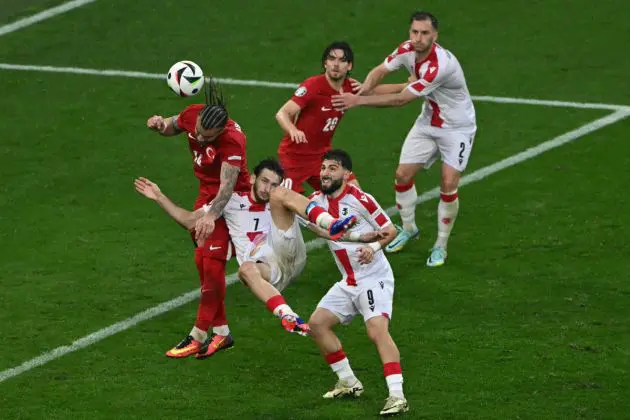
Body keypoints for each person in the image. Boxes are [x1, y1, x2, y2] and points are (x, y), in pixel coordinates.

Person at [134, 159, 366, 346]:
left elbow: (317, 230)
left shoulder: (275, 200)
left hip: (289, 252)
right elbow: (188, 220)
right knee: (245, 269)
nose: (267, 188)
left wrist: (358, 238)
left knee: (283, 196)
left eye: (273, 183)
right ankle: (287, 315)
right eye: (264, 181)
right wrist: (159, 197)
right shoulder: (231, 200)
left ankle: (332, 220)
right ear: (253, 178)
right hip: (268, 271)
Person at [332, 11, 477, 267]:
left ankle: (440, 244)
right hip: (428, 122)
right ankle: (409, 228)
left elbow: (401, 99)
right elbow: (380, 71)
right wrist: (365, 87)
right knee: (402, 175)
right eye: (414, 32)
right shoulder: (407, 49)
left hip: (457, 129)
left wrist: (358, 100)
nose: (418, 38)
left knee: (448, 182)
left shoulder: (439, 66)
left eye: (424, 33)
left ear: (435, 35)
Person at [146, 80, 250, 358]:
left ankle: (198, 334)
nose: (200, 139)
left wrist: (210, 216)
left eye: (207, 137)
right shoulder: (194, 114)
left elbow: (227, 188)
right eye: (199, 134)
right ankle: (223, 332)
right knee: (201, 259)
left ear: (221, 130)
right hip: (205, 193)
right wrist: (160, 125)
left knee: (212, 261)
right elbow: (172, 126)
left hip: (234, 201)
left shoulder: (232, 140)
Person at [305, 149, 409, 416]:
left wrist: (373, 247)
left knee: (376, 331)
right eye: (324, 167)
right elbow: (316, 227)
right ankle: (348, 381)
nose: (325, 173)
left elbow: (390, 229)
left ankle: (397, 396)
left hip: (374, 277)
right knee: (317, 324)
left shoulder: (360, 199)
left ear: (347, 174)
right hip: (348, 280)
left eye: (333, 168)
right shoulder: (315, 201)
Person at [275, 41, 408, 194]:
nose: (336, 64)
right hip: (294, 159)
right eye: (331, 59)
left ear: (349, 66)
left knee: (354, 194)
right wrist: (293, 130)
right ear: (325, 63)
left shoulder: (348, 87)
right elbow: (282, 113)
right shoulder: (313, 86)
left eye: (342, 60)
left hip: (323, 158)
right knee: (292, 205)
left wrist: (405, 86)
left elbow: (374, 92)